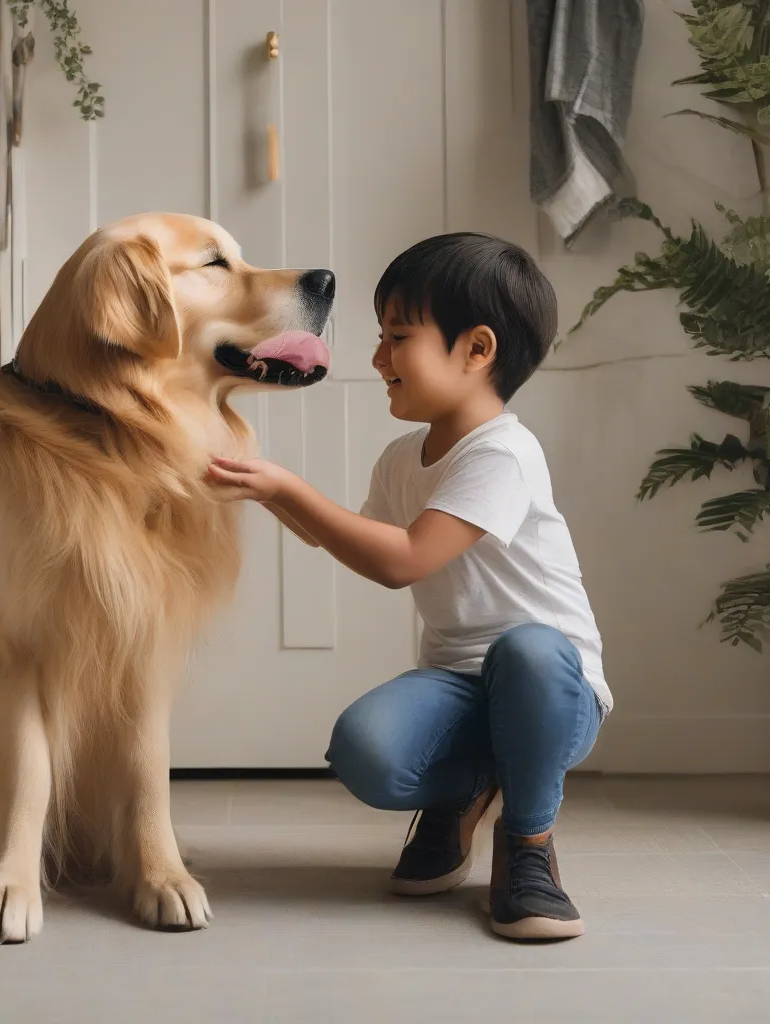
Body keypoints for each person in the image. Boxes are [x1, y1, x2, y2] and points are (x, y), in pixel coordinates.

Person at [206, 233, 610, 941]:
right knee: (366, 748)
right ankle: (463, 794)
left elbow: (404, 559)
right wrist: (261, 485)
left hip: (554, 693)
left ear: (476, 349)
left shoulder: (504, 452)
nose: (377, 360)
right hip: (460, 682)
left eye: (398, 338)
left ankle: (529, 845)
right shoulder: (404, 457)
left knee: (529, 651)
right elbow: (348, 537)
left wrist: (287, 486)